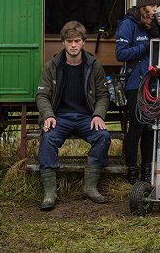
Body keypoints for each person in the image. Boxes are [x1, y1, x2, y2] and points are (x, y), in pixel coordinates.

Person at [36, 21, 111, 211]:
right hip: (60, 117)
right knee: (48, 138)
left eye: (77, 40)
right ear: (63, 42)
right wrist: (48, 116)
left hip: (86, 117)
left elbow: (103, 95)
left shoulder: (94, 65)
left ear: (84, 42)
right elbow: (42, 95)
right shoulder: (52, 66)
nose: (73, 45)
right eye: (69, 41)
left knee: (102, 137)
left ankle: (90, 187)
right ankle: (50, 193)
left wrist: (98, 115)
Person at [115, 0, 160, 184]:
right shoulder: (128, 24)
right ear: (142, 6)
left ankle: (147, 171)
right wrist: (145, 46)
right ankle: (132, 170)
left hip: (157, 83)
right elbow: (120, 54)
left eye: (157, 5)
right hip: (135, 84)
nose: (155, 9)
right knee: (137, 127)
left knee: (150, 127)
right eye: (151, 5)